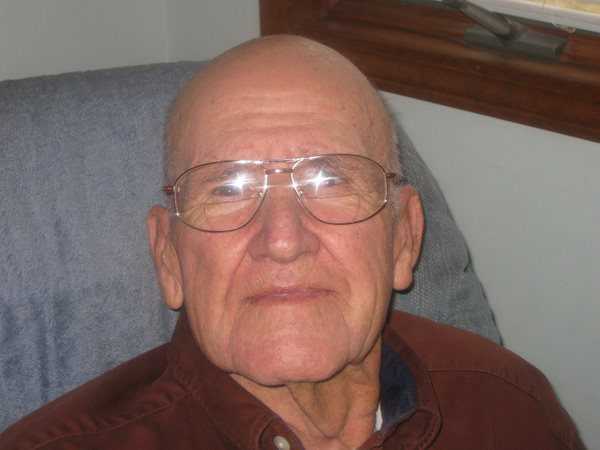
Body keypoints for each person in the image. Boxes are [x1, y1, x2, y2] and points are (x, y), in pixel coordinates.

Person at [0, 35, 582, 450]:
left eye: (331, 179)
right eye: (227, 187)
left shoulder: (511, 408)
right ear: (168, 258)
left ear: (404, 239)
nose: (282, 240)